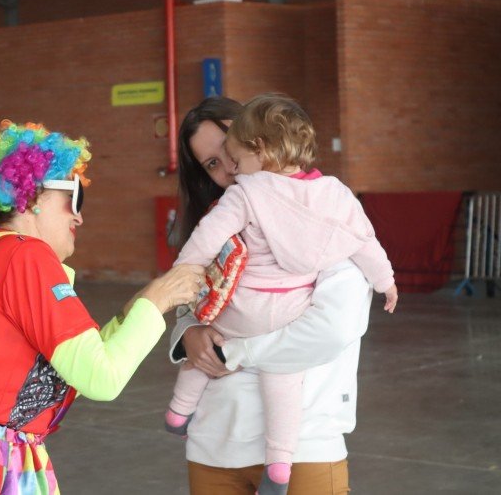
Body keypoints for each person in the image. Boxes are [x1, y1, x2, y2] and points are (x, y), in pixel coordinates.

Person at [0, 120, 203, 494]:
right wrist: (159, 301)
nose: (79, 216)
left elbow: (72, 361)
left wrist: (136, 309)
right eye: (73, 198)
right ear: (30, 198)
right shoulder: (26, 255)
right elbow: (101, 377)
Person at [166, 93, 397, 494]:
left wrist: (234, 352)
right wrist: (189, 333)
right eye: (212, 165)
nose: (229, 168)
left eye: (229, 149)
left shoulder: (325, 217)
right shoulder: (220, 230)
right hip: (213, 445)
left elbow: (330, 331)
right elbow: (190, 301)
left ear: (261, 138)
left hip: (305, 444)